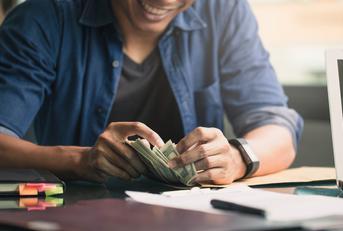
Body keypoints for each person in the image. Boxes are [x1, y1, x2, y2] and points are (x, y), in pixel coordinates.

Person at [0, 0, 303, 185]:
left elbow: (277, 128)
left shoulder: (224, 10)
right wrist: (82, 161)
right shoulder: (45, 18)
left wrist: (238, 158)